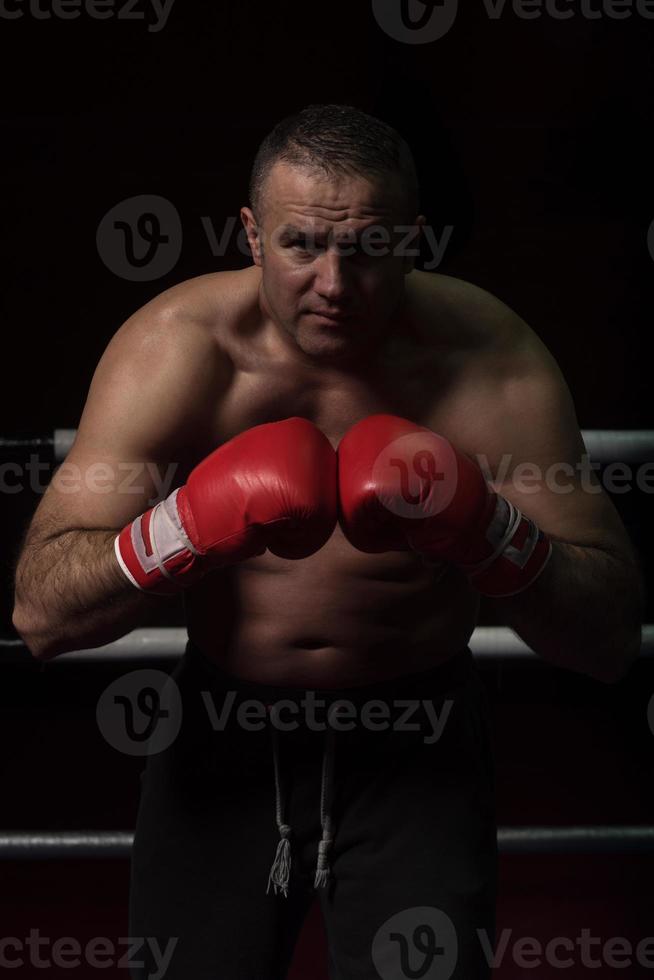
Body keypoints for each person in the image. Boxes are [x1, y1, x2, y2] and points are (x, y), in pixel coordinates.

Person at [12, 104, 643, 979]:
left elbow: (609, 634)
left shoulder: (492, 359)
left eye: (370, 247)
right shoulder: (177, 351)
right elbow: (40, 611)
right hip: (220, 743)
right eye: (303, 243)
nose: (337, 284)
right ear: (250, 235)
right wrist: (185, 529)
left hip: (419, 746)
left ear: (415, 240)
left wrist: (487, 533)